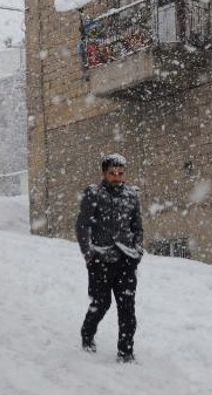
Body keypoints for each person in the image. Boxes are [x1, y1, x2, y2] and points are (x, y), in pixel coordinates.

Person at [76, 153, 143, 363]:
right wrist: (89, 253)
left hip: (126, 259)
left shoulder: (132, 195)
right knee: (101, 303)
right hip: (100, 259)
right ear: (104, 174)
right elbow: (83, 225)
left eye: (121, 173)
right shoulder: (93, 194)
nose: (117, 177)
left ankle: (126, 352)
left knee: (127, 308)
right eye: (112, 173)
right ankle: (87, 333)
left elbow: (137, 227)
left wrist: (137, 252)